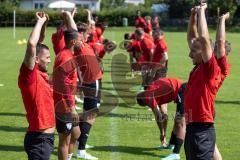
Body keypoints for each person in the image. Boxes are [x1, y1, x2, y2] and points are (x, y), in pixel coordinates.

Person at [184, 4, 222, 160]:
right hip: (194, 128)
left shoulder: (209, 68)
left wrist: (202, 12)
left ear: (205, 51)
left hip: (201, 130)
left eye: (194, 51)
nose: (189, 54)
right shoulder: (200, 66)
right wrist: (193, 15)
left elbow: (204, 39)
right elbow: (192, 38)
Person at [18, 12, 55, 160]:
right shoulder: (29, 76)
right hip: (40, 140)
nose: (50, 61)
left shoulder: (40, 73)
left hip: (43, 138)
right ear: (37, 59)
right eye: (47, 58)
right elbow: (32, 45)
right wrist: (39, 22)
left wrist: (44, 22)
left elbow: (38, 42)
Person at [52, 11, 80, 160]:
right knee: (64, 140)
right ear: (73, 42)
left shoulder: (68, 53)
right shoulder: (65, 57)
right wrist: (72, 106)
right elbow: (62, 84)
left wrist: (69, 17)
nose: (82, 41)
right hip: (64, 105)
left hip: (68, 103)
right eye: (80, 39)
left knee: (76, 134)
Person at [136, 78, 186, 160]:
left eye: (147, 105)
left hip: (182, 90)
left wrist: (162, 133)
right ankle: (171, 145)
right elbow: (164, 114)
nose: (149, 106)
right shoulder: (153, 92)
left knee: (180, 122)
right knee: (177, 121)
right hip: (179, 90)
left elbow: (158, 116)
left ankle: (176, 154)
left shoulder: (148, 97)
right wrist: (164, 134)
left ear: (145, 101)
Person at [75, 22, 103, 160]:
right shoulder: (78, 44)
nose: (88, 36)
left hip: (91, 81)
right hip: (93, 82)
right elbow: (73, 30)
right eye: (86, 34)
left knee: (88, 113)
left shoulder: (83, 44)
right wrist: (69, 17)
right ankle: (81, 150)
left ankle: (78, 141)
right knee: (91, 115)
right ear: (80, 34)